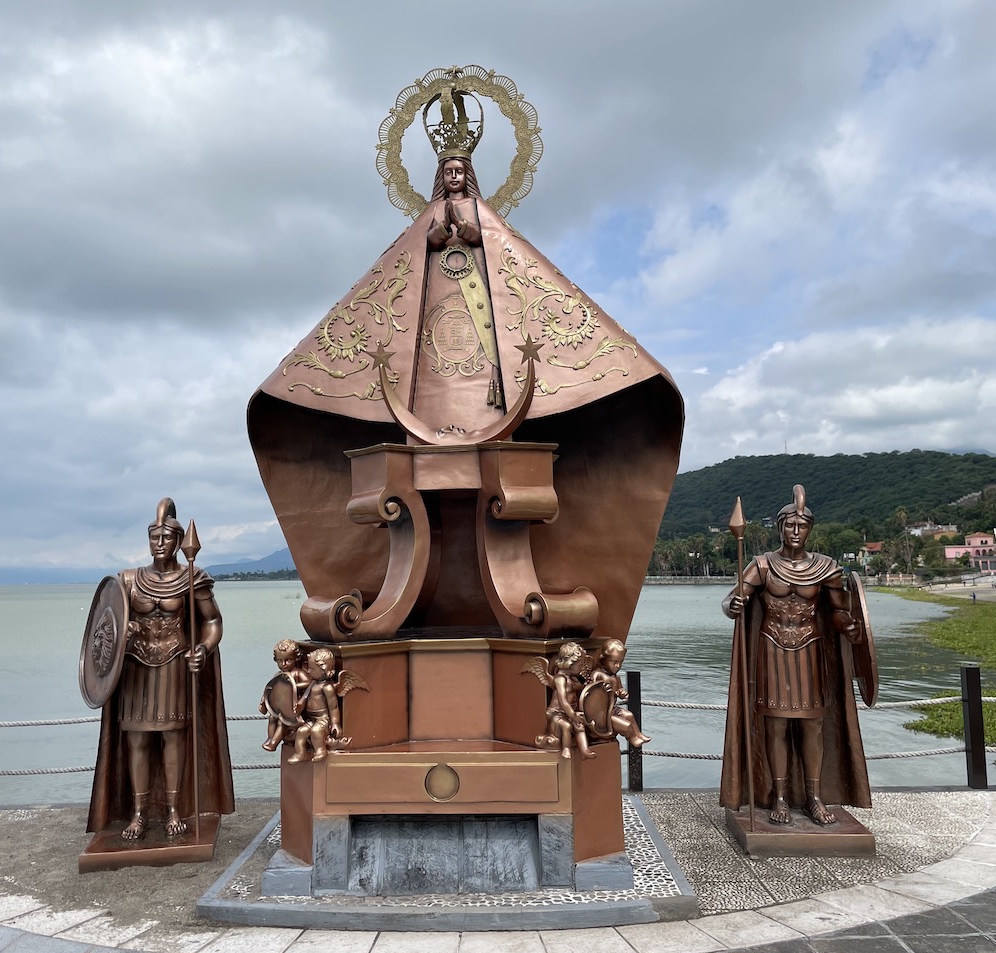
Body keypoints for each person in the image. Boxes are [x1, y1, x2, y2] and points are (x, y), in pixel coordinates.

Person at [246, 72, 683, 644]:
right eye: (447, 172)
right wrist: (436, 233)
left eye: (460, 172)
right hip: (424, 365)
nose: (453, 178)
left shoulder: (487, 229)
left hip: (489, 355)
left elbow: (498, 253)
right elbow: (410, 266)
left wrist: (472, 228)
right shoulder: (426, 230)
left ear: (470, 175)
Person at [719, 485, 874, 826]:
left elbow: (838, 611)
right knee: (775, 724)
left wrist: (849, 627)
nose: (795, 531)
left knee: (812, 725)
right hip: (772, 649)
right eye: (789, 525)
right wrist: (734, 605)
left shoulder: (825, 567)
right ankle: (779, 796)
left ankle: (814, 797)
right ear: (780, 528)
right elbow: (732, 600)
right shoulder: (762, 565)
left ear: (809, 529)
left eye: (801, 526)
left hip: (810, 649)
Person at [86, 498, 235, 841]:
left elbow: (213, 621)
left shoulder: (192, 577)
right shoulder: (128, 580)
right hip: (135, 670)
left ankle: (173, 810)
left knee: (172, 738)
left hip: (174, 666)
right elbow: (108, 625)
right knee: (137, 740)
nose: (159, 543)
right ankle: (138, 813)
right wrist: (125, 633)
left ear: (179, 541)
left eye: (166, 538)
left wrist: (203, 648)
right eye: (154, 537)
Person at [589, 639, 650, 749]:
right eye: (614, 662)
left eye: (621, 662)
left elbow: (620, 692)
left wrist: (622, 693)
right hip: (601, 713)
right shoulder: (598, 675)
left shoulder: (616, 677)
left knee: (629, 715)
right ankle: (633, 738)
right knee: (626, 725)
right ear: (604, 659)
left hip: (612, 709)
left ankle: (638, 735)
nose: (618, 666)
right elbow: (590, 693)